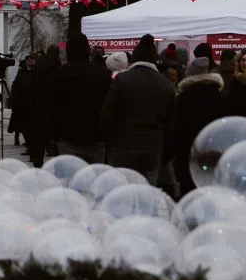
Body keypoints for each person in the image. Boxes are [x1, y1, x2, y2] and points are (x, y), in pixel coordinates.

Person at [100, 35, 176, 184]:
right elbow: (171, 123)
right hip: (153, 148)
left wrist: (110, 144)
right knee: (146, 194)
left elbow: (107, 114)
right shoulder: (166, 85)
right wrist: (165, 153)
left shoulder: (122, 81)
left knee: (120, 193)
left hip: (122, 146)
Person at [52, 34, 112, 164]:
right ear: (87, 49)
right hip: (96, 136)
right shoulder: (103, 73)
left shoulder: (59, 74)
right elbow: (110, 105)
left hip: (68, 135)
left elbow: (53, 105)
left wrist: (55, 135)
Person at [174, 57, 225, 195]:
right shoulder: (219, 96)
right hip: (212, 151)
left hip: (188, 152)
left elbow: (177, 128)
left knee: (189, 190)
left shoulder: (184, 98)